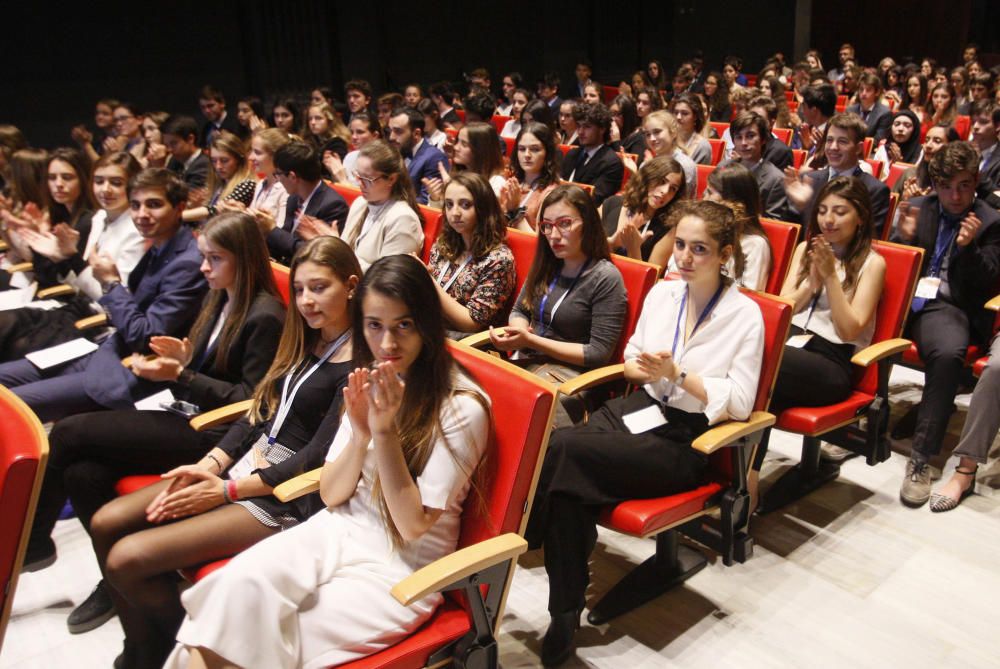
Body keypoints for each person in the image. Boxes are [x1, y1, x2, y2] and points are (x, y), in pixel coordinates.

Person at [163, 254, 491, 669]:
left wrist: (384, 433)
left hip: (398, 570)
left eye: (403, 325)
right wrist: (360, 433)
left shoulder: (462, 407)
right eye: (374, 326)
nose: (387, 344)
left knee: (254, 649)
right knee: (230, 598)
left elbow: (410, 526)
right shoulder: (374, 375)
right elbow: (333, 494)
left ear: (427, 321)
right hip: (334, 530)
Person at [78, 236, 354, 668]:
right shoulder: (305, 339)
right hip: (243, 468)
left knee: (127, 558)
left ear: (351, 287)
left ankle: (162, 651)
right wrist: (209, 464)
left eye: (319, 288)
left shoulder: (359, 364)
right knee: (105, 521)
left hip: (283, 496)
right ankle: (147, 647)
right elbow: (258, 412)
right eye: (299, 289)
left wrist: (226, 490)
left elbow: (316, 457)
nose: (305, 300)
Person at [525, 199, 764, 666]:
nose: (685, 258)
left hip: (687, 436)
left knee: (566, 448)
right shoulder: (663, 294)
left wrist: (678, 375)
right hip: (640, 407)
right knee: (565, 469)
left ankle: (532, 540)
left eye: (700, 249)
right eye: (680, 245)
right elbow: (631, 356)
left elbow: (740, 402)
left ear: (725, 254)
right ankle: (565, 609)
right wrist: (646, 368)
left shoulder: (744, 315)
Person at [22, 213, 286, 636]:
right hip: (181, 409)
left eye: (214, 259)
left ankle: (33, 540)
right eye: (203, 257)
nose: (204, 268)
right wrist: (181, 361)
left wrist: (181, 376)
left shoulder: (266, 315)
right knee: (83, 472)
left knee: (70, 430)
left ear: (245, 260)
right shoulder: (219, 296)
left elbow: (251, 402)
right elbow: (212, 373)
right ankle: (119, 586)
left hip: (213, 435)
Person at [0, 168, 208, 422]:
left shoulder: (187, 261)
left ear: (179, 208)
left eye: (153, 205)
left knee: (11, 407)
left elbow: (146, 337)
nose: (142, 214)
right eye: (136, 205)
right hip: (103, 347)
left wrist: (110, 284)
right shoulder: (160, 246)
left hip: (129, 368)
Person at [751, 177, 886, 504]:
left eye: (840, 212)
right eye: (823, 210)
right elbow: (783, 309)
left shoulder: (873, 263)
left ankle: (743, 486)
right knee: (757, 382)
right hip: (792, 347)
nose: (829, 219)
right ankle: (744, 479)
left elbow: (849, 330)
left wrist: (829, 279)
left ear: (861, 218)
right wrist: (810, 284)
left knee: (759, 367)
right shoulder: (804, 249)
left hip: (832, 362)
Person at [892, 142, 1000, 507]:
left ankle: (921, 458)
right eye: (948, 186)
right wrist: (902, 240)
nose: (956, 195)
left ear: (976, 182)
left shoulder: (990, 221)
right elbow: (890, 262)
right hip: (907, 303)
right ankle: (851, 425)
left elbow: (987, 284)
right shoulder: (920, 209)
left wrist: (968, 249)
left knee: (949, 352)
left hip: (951, 306)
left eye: (965, 185)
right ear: (935, 183)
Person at [489, 185, 626, 426]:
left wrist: (530, 341)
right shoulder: (548, 262)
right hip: (530, 362)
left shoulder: (605, 277)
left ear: (588, 223)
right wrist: (519, 330)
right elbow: (520, 311)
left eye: (564, 224)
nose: (553, 235)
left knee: (510, 412)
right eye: (547, 226)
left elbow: (598, 354)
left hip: (574, 378)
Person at [0, 152, 144, 361]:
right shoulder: (100, 217)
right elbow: (77, 285)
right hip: (73, 308)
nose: (105, 189)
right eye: (99, 181)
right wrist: (61, 258)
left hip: (97, 324)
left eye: (116, 182)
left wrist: (71, 259)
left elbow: (112, 300)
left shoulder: (136, 230)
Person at [428, 173, 516, 336]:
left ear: (483, 208)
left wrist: (429, 283)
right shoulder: (444, 244)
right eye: (449, 204)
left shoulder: (498, 260)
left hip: (468, 343)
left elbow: (471, 324)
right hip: (431, 329)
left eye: (465, 205)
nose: (455, 213)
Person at [785, 113, 891, 234]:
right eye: (829, 140)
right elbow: (795, 235)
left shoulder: (874, 190)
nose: (833, 147)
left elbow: (869, 239)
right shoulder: (810, 180)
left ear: (858, 148)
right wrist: (800, 207)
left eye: (842, 141)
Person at [339, 140, 424, 271]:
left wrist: (339, 254)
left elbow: (387, 278)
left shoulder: (403, 219)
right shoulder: (360, 203)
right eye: (358, 176)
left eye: (367, 179)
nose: (360, 184)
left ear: (391, 179)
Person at [260, 141, 348, 265]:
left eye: (278, 174)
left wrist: (272, 229)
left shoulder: (333, 205)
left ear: (292, 176)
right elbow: (285, 243)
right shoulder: (293, 199)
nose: (278, 180)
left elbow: (317, 253)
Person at [601, 154, 685, 268]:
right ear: (648, 177)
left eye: (673, 189)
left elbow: (649, 280)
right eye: (662, 181)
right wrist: (611, 244)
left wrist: (634, 249)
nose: (665, 191)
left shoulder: (668, 228)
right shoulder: (612, 203)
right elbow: (583, 249)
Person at [703, 162, 774, 291]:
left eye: (710, 193)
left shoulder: (755, 245)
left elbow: (750, 295)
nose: (704, 199)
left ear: (731, 201)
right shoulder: (707, 231)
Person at [718, 112, 791, 221]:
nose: (743, 143)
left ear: (763, 140)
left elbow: (773, 223)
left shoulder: (775, 179)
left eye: (750, 136)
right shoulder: (723, 167)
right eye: (738, 137)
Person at [499, 122, 562, 232]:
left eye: (535, 149)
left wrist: (515, 211)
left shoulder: (550, 193)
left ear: (547, 153)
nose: (527, 155)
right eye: (522, 149)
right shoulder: (512, 183)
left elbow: (538, 243)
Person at [181, 132, 256, 223]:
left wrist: (176, 216)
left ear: (239, 160)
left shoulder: (247, 184)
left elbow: (217, 209)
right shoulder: (220, 184)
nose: (218, 166)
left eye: (224, 161)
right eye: (214, 161)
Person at [558, 102, 624, 205]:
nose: (580, 132)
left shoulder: (612, 162)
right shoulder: (572, 154)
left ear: (602, 129)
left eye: (587, 127)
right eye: (579, 126)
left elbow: (596, 198)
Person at [423, 122, 506, 202]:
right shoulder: (457, 174)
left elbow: (484, 214)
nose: (455, 147)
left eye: (464, 144)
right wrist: (436, 198)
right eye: (457, 141)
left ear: (481, 150)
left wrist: (453, 191)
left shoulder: (496, 183)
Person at [386, 106, 450, 204]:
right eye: (390, 130)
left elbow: (426, 201)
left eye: (398, 131)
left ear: (416, 133)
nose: (391, 137)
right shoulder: (394, 151)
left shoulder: (434, 158)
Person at [242, 128, 291, 234]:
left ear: (276, 156)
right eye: (252, 151)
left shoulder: (286, 189)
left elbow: (282, 233)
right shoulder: (260, 184)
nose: (250, 157)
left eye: (257, 153)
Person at [154, 116, 211, 191]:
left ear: (190, 139)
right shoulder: (174, 160)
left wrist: (160, 167)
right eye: (166, 145)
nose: (169, 149)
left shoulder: (203, 164)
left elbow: (181, 197)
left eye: (173, 143)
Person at [324, 112, 381, 186]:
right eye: (352, 132)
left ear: (375, 135)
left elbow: (367, 196)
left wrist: (342, 179)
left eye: (360, 132)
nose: (354, 137)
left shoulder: (382, 162)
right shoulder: (350, 157)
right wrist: (335, 173)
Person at [872, 110, 923, 180]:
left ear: (914, 130)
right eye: (896, 124)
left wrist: (899, 165)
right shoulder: (883, 149)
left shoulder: (920, 152)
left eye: (907, 125)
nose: (900, 129)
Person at [847, 73, 893, 142]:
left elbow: (878, 139)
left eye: (868, 90)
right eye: (861, 89)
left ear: (877, 92)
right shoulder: (850, 110)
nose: (863, 93)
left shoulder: (885, 113)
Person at [304, 102, 351, 168]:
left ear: (329, 120)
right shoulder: (311, 140)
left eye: (318, 118)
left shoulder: (338, 143)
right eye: (310, 119)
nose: (313, 122)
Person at [671, 92, 712, 165]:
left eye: (685, 113)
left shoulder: (702, 146)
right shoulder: (668, 139)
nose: (678, 117)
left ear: (695, 116)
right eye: (676, 112)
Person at [609, 94, 646, 158]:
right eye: (611, 113)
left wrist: (616, 142)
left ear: (628, 116)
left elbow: (632, 166)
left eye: (617, 114)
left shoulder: (639, 138)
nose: (612, 118)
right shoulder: (609, 132)